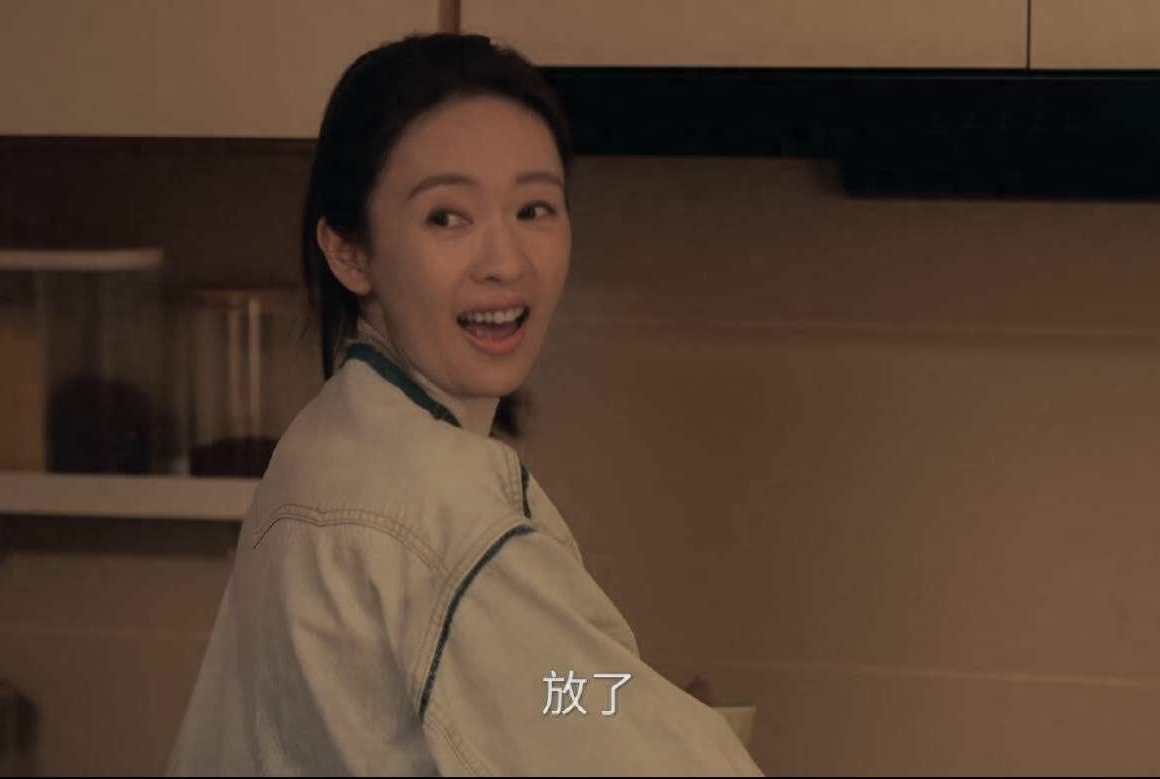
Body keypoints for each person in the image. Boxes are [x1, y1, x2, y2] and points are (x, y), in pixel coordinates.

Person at [165, 33, 762, 776]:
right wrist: (655, 721)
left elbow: (545, 692)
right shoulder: (441, 512)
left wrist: (627, 694)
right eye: (447, 218)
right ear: (350, 250)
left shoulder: (326, 443)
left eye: (534, 209)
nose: (505, 263)